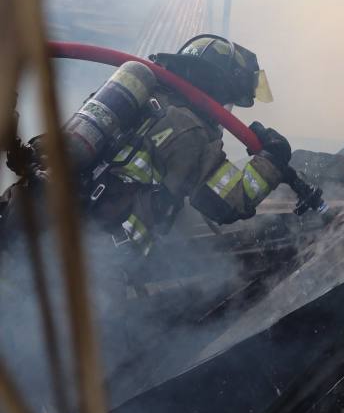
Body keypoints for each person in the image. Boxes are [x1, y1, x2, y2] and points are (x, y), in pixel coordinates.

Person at [3, 34, 293, 254]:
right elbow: (228, 202)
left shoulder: (138, 96)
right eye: (228, 101)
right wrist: (273, 158)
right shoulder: (190, 128)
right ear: (218, 89)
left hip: (24, 209)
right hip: (87, 252)